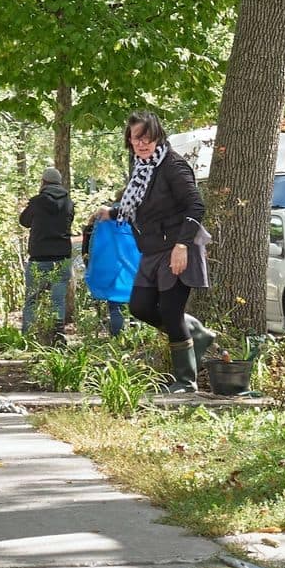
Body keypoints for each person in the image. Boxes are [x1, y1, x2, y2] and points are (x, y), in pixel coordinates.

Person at [92, 111, 215, 391]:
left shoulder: (173, 166)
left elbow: (196, 206)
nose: (142, 143)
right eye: (136, 138)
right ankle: (196, 333)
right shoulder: (140, 169)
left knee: (171, 313)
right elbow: (138, 208)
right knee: (140, 307)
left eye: (147, 138)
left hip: (177, 248)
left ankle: (185, 381)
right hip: (151, 251)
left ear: (158, 136)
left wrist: (182, 245)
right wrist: (112, 212)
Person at [19, 168, 76, 336]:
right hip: (62, 256)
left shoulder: (37, 201)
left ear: (43, 182)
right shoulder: (68, 202)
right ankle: (57, 336)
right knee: (57, 301)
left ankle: (28, 337)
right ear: (59, 183)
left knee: (32, 300)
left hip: (39, 257)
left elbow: (24, 221)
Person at [81, 214, 129, 337]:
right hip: (126, 267)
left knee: (114, 305)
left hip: (107, 268)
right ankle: (131, 335)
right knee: (131, 302)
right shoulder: (129, 221)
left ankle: (117, 336)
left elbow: (86, 251)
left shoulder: (96, 227)